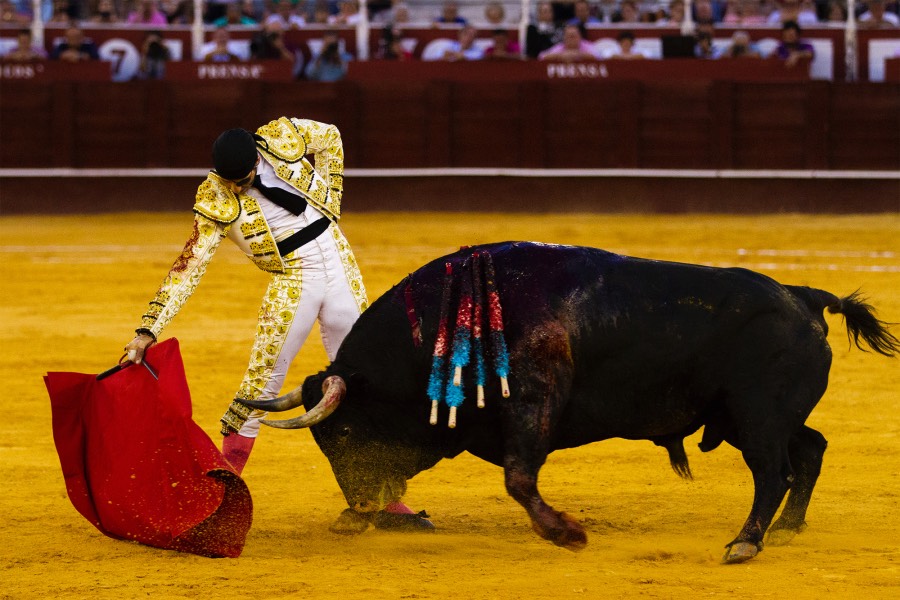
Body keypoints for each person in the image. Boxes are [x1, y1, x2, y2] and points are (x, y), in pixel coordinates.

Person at [122, 119, 434, 531]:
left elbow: (333, 138)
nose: (237, 185)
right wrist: (148, 328)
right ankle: (216, 501)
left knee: (365, 384)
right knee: (262, 385)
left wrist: (332, 196)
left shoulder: (281, 137)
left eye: (244, 177)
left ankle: (377, 501)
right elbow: (188, 267)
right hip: (294, 278)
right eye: (229, 180)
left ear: (256, 156)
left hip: (340, 265)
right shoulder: (215, 197)